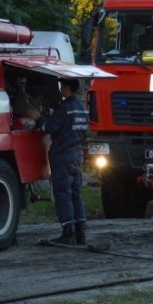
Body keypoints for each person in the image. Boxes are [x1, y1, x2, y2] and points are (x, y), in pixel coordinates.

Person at [41, 78, 89, 246]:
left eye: (62, 86)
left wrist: (42, 121)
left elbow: (50, 128)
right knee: (76, 194)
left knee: (63, 194)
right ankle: (80, 233)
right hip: (76, 155)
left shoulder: (64, 108)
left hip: (62, 156)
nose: (60, 89)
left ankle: (68, 233)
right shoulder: (82, 108)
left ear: (68, 88)